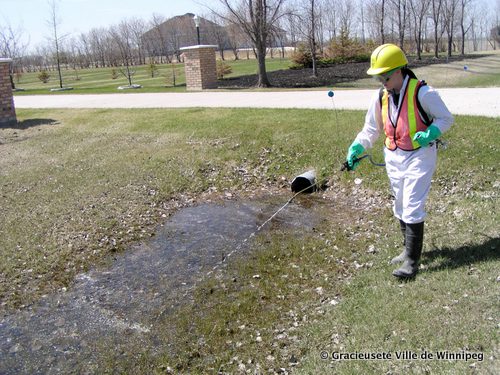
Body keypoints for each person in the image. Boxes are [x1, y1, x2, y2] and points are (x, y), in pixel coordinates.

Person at [346, 43, 454, 278]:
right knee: (400, 203)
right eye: (378, 77)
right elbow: (371, 129)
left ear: (398, 71)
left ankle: (412, 263)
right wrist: (356, 147)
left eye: (384, 76)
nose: (381, 81)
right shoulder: (380, 97)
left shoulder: (423, 92)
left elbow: (446, 118)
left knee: (413, 205)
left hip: (419, 155)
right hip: (393, 156)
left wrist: (431, 133)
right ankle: (407, 250)